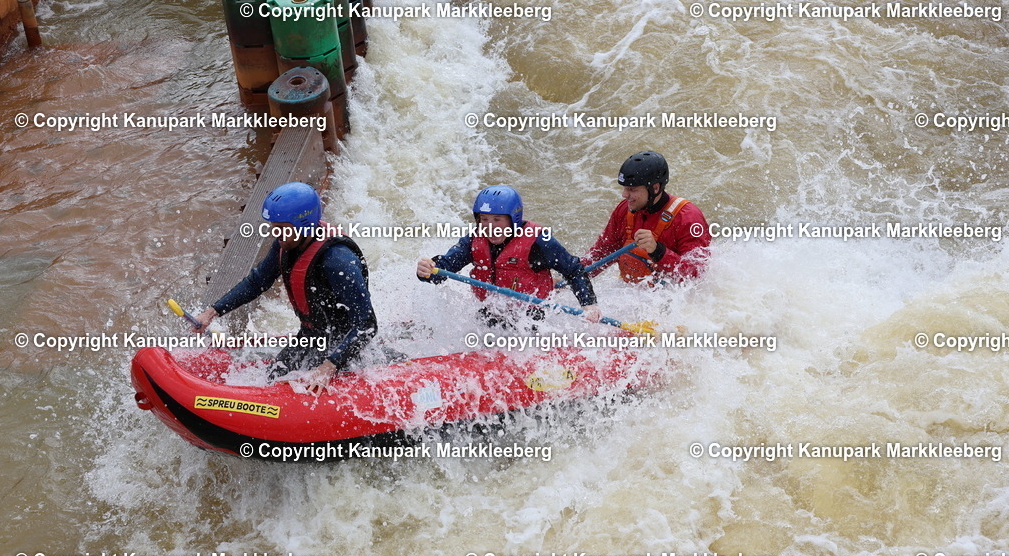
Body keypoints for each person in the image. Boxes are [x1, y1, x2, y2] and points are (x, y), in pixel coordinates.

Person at [193, 182, 377, 395]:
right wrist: (213, 311)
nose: (276, 234)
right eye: (274, 226)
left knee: (304, 393)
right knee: (273, 378)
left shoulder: (338, 261)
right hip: (312, 336)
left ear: (304, 225)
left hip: (344, 346)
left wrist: (328, 367)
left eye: (282, 228)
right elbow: (257, 282)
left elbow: (367, 325)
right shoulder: (286, 244)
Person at [416, 185, 600, 326]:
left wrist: (589, 304)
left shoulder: (539, 241)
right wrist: (427, 270)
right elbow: (444, 269)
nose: (489, 226)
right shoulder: (473, 240)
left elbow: (574, 270)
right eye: (484, 220)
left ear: (513, 220)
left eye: (497, 220)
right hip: (492, 311)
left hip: (534, 316)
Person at [584, 150, 711, 285]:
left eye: (632, 190)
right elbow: (601, 253)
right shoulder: (624, 210)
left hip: (677, 299)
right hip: (635, 293)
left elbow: (697, 275)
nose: (624, 195)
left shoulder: (689, 218)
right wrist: (569, 278)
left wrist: (658, 251)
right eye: (625, 188)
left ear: (655, 188)